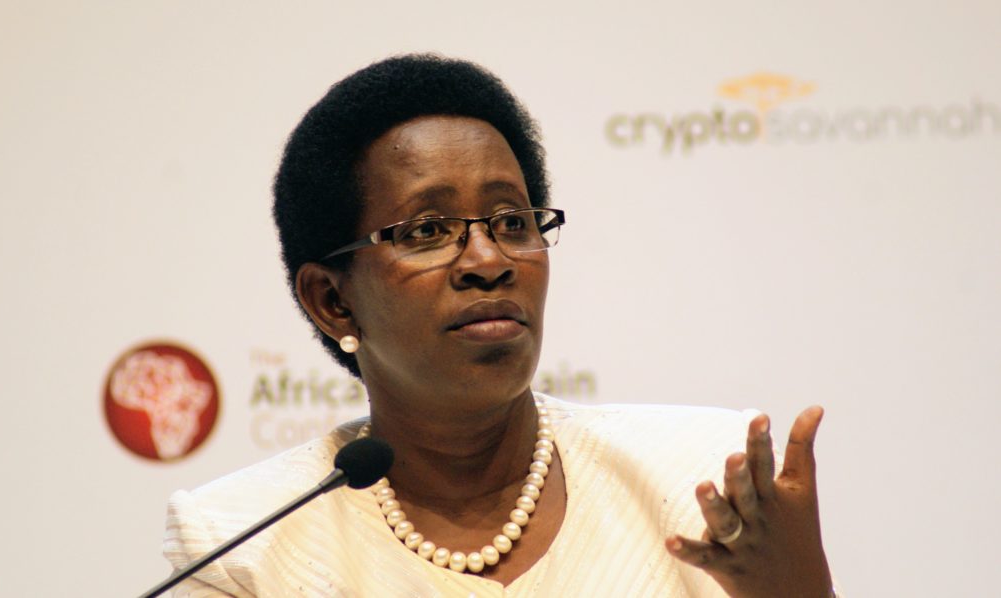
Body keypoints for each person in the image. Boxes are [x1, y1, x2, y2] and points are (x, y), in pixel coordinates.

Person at [162, 54, 835, 597]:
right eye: (428, 230)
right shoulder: (244, 547)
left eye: (513, 221)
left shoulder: (709, 482)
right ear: (332, 301)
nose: (489, 260)